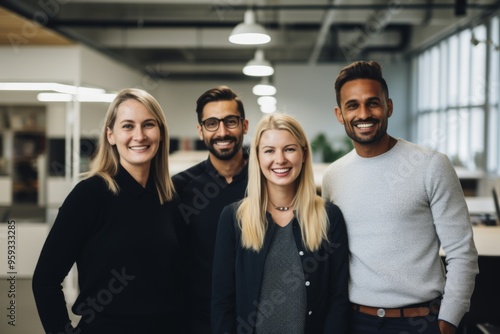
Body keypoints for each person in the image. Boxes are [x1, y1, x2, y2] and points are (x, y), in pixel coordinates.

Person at [322, 60, 479, 334]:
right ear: (339, 114)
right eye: (353, 105)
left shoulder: (431, 165)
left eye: (373, 103)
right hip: (356, 322)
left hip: (421, 320)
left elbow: (462, 253)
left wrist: (448, 322)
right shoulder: (334, 176)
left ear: (389, 107)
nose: (364, 113)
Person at [32, 88, 185, 333]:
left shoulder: (170, 198)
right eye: (127, 126)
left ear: (160, 133)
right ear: (111, 135)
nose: (139, 135)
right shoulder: (90, 195)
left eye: (148, 125)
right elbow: (45, 280)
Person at [212, 113, 350, 334]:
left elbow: (338, 300)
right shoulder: (233, 217)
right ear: (257, 156)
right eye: (269, 151)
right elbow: (222, 302)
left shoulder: (328, 217)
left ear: (304, 154)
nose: (280, 159)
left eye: (289, 149)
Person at [172, 86, 249, 334]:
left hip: (259, 317)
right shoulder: (180, 188)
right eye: (212, 123)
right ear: (200, 130)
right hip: (198, 321)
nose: (222, 132)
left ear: (245, 125)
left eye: (231, 121)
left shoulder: (268, 180)